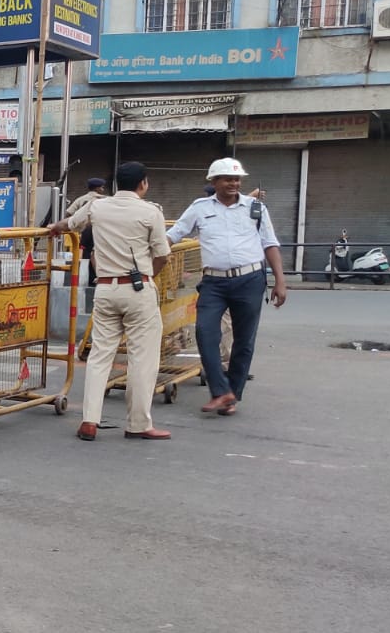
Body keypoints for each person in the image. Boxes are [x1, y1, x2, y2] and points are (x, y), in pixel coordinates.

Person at [49, 161, 172, 442]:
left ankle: (89, 420)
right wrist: (148, 277)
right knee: (142, 359)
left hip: (105, 289)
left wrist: (54, 227)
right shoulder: (151, 212)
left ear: (116, 184)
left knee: (99, 356)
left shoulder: (97, 206)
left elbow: (69, 224)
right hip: (138, 290)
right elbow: (163, 255)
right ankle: (138, 424)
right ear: (143, 184)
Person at [167, 158, 288, 416]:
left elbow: (270, 243)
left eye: (237, 179)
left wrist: (280, 280)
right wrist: (152, 249)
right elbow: (174, 234)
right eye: (227, 179)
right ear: (214, 182)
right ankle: (221, 390)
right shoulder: (199, 208)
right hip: (213, 282)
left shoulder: (255, 208)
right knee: (205, 332)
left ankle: (231, 395)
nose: (234, 183)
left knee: (244, 340)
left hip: (250, 280)